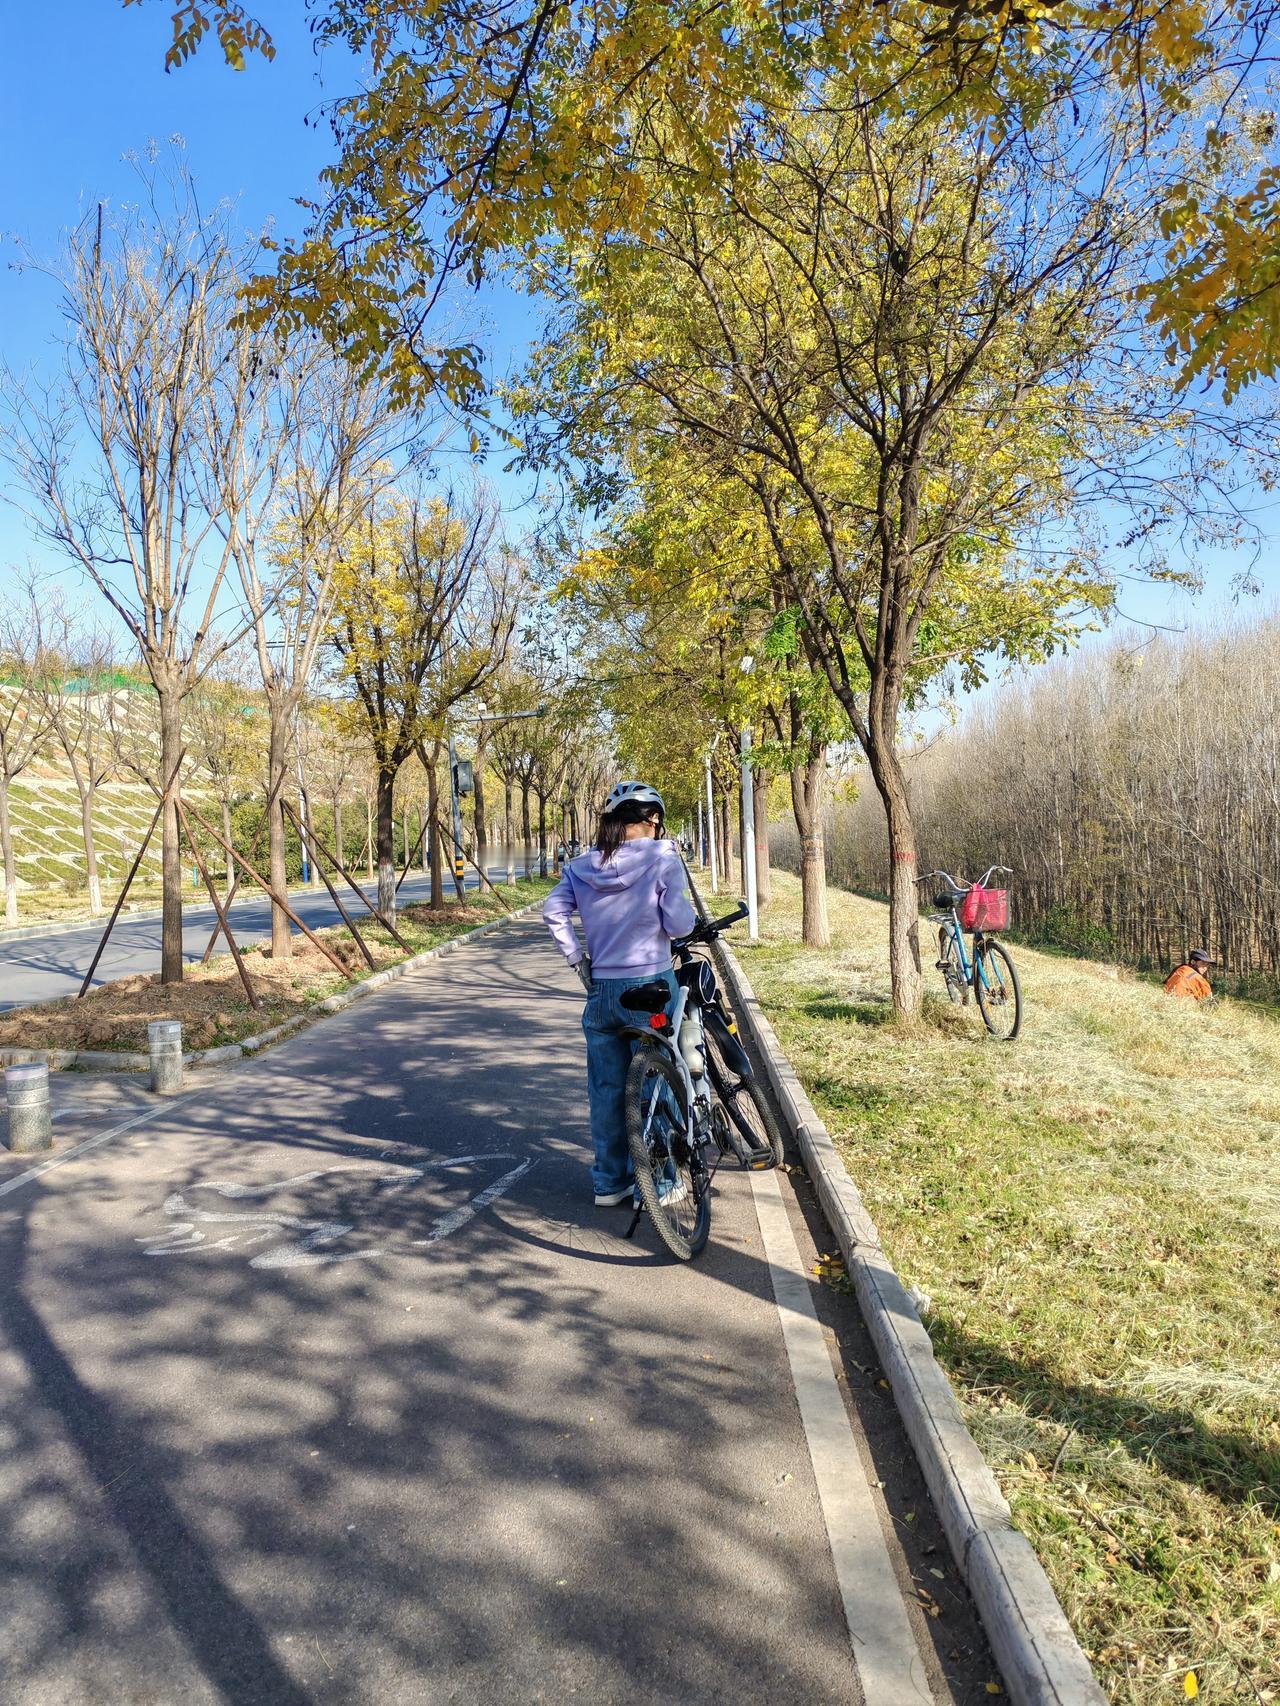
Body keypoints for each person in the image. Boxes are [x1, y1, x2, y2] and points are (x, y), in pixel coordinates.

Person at [543, 780, 696, 1206]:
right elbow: (680, 925)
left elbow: (552, 911)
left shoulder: (580, 866)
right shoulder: (663, 858)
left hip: (603, 991)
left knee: (607, 1089)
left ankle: (611, 1182)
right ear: (654, 820)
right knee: (656, 1082)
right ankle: (664, 1180)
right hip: (651, 986)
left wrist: (579, 961)